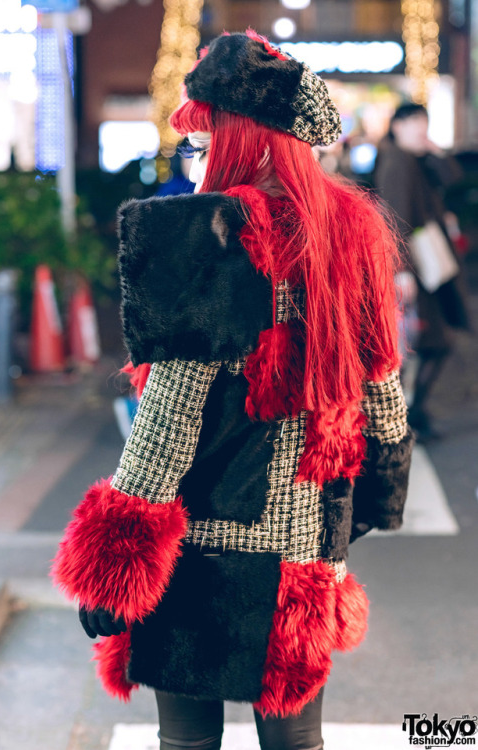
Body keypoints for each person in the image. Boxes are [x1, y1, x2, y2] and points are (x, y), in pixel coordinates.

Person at [52, 30, 414, 750]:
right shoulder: (351, 234)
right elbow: (382, 388)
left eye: (208, 131)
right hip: (305, 539)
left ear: (237, 134)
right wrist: (372, 500)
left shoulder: (213, 234)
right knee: (295, 737)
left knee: (187, 739)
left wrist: (111, 568)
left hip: (205, 543)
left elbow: (167, 419)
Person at [374, 102, 469, 442]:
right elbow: (395, 218)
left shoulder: (413, 157)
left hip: (426, 266)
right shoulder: (397, 160)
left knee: (426, 343)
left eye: (423, 123)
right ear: (396, 126)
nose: (420, 130)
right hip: (416, 267)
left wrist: (432, 148)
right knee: (428, 342)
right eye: (413, 123)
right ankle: (405, 417)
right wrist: (401, 270)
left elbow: (453, 177)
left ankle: (409, 415)